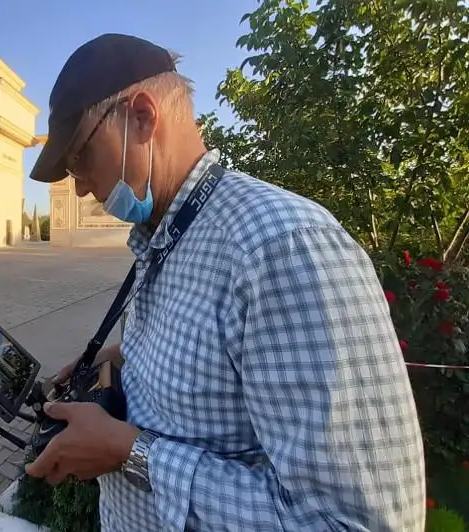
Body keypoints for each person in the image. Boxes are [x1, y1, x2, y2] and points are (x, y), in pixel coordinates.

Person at [24, 34, 425, 531]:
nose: (79, 185)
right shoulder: (171, 234)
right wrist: (124, 357)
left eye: (80, 157)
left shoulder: (283, 247)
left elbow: (355, 522)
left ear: (143, 118)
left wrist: (130, 453)